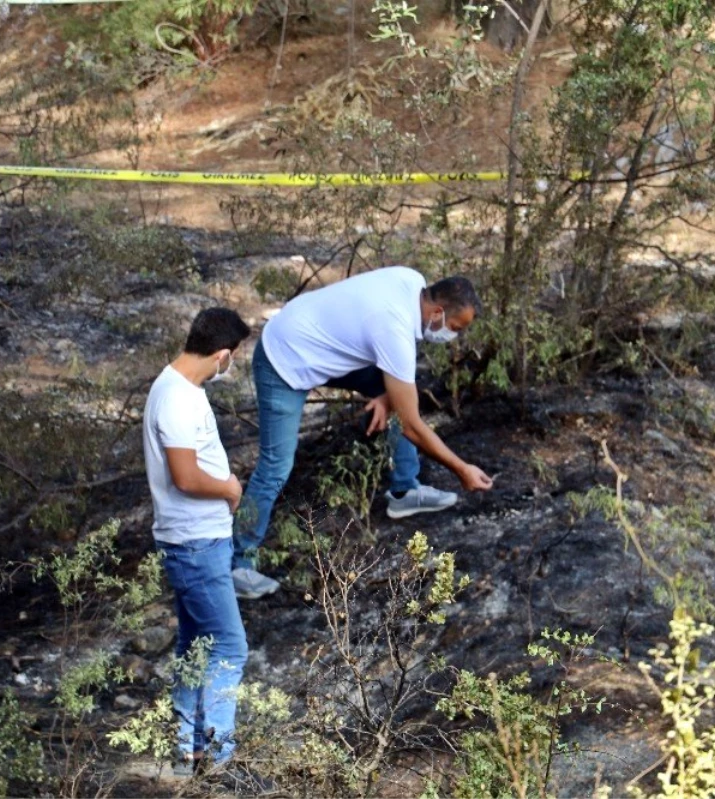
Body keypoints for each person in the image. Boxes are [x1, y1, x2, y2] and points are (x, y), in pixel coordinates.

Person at [231, 267, 495, 600]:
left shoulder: (413, 282)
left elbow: (386, 367)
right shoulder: (393, 326)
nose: (453, 336)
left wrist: (387, 394)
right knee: (276, 466)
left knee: (400, 397)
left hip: (321, 343)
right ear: (438, 312)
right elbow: (412, 425)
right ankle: (237, 563)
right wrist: (461, 469)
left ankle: (405, 491)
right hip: (284, 360)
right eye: (455, 328)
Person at [142, 307, 251, 773]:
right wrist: (229, 487)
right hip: (195, 546)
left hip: (197, 542)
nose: (232, 365)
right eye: (234, 358)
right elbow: (185, 477)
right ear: (222, 355)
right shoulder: (177, 400)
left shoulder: (181, 387)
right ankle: (222, 761)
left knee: (195, 648)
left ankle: (189, 754)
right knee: (229, 647)